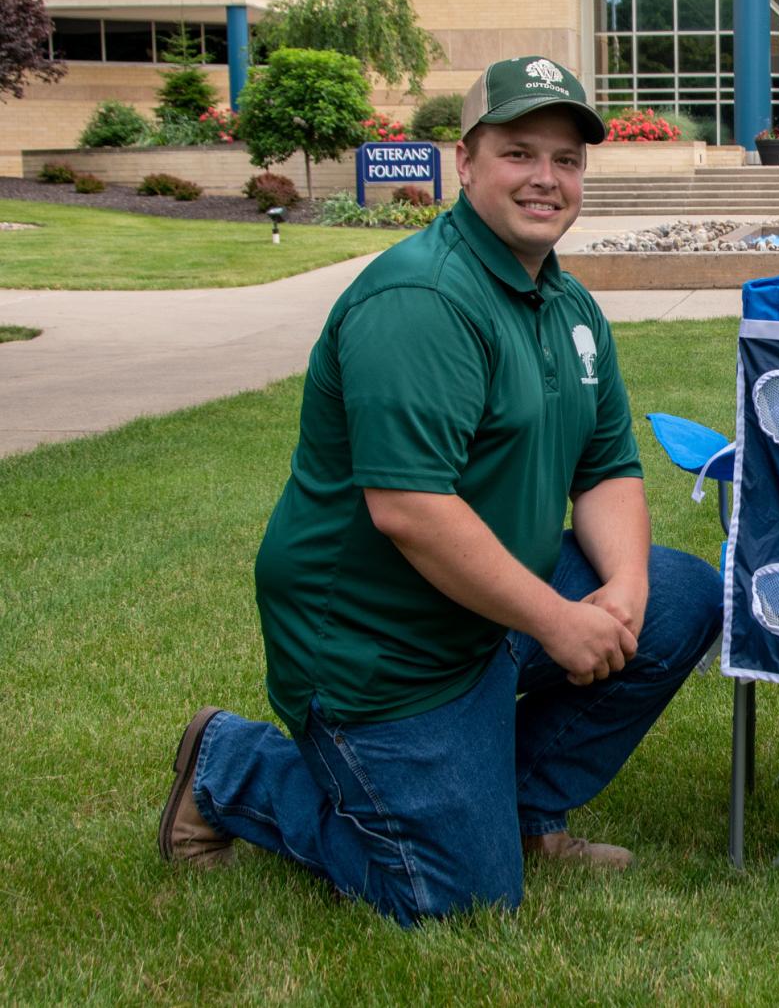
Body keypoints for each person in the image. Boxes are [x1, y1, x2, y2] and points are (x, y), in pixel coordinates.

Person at [157, 56, 723, 926]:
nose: (546, 178)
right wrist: (559, 620)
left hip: (492, 608)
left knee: (681, 596)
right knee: (458, 900)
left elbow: (607, 467)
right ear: (466, 161)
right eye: (519, 152)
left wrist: (624, 595)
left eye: (566, 159)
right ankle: (231, 765)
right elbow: (409, 510)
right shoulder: (422, 299)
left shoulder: (567, 306)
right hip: (380, 644)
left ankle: (524, 813)